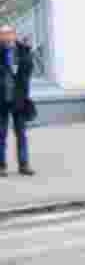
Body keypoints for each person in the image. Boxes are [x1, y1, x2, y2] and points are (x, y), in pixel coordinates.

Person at [0, 23, 35, 176]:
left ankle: (24, 164)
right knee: (1, 134)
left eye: (9, 33)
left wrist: (26, 50)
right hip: (2, 99)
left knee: (21, 133)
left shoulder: (22, 51)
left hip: (19, 99)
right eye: (3, 34)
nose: (7, 36)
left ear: (14, 35)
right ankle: (1, 166)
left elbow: (28, 70)